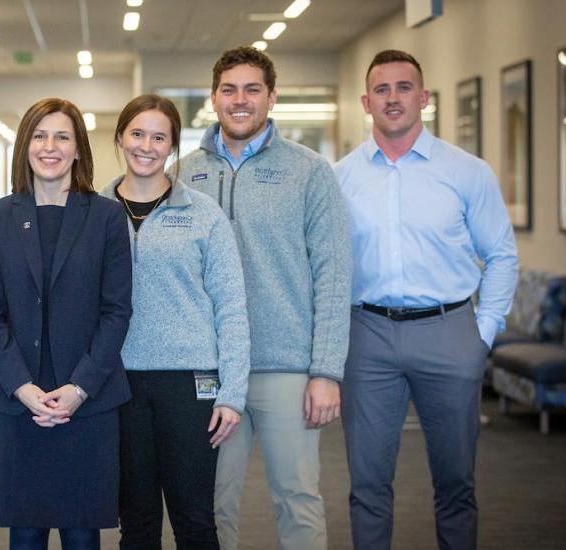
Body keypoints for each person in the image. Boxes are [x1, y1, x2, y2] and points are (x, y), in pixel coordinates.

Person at [335, 49, 518, 550]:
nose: (393, 98)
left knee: (456, 482)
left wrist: (481, 334)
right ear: (365, 102)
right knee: (368, 484)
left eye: (403, 87)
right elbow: (327, 268)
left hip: (449, 333)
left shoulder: (467, 172)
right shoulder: (341, 177)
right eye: (382, 89)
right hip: (367, 337)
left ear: (424, 97)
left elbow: (501, 256)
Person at [174, 46, 352, 550]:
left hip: (287, 369)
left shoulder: (309, 171)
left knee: (297, 499)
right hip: (209, 369)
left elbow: (334, 276)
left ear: (272, 98)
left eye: (253, 89)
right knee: (210, 504)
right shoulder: (185, 173)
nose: (240, 100)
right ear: (213, 98)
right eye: (229, 89)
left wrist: (326, 371)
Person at [0, 97, 132, 550]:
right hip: (20, 403)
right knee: (25, 536)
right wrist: (22, 387)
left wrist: (79, 388)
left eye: (62, 136)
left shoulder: (105, 216)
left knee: (82, 536)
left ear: (79, 149)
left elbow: (116, 311)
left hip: (86, 402)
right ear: (25, 146)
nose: (50, 146)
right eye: (40, 136)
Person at [101, 94, 251, 549]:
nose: (147, 146)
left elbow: (232, 307)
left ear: (172, 146)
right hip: (119, 385)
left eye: (159, 137)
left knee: (195, 520)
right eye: (137, 134)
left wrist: (233, 393)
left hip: (191, 385)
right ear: (121, 138)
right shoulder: (94, 212)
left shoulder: (203, 213)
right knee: (137, 523)